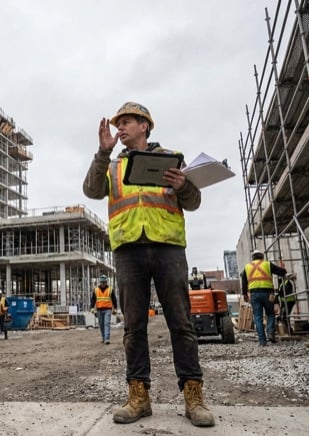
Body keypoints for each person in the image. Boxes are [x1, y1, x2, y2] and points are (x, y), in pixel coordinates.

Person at [83, 101, 214, 427]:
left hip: (168, 247)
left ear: (145, 126)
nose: (120, 128)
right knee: (133, 327)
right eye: (118, 124)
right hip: (128, 251)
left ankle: (193, 395)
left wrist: (184, 185)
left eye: (127, 122)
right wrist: (102, 154)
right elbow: (90, 190)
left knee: (181, 323)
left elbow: (194, 202)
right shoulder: (112, 166)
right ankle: (138, 395)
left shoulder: (173, 159)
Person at [240, 250, 287, 346]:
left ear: (252, 257)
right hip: (268, 294)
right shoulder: (267, 264)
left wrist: (244, 294)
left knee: (258, 317)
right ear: (262, 257)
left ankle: (262, 341)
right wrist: (284, 270)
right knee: (270, 313)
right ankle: (270, 332)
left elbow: (244, 281)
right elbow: (281, 272)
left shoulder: (247, 267)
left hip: (254, 295)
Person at [90, 274, 118, 344]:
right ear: (100, 282)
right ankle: (103, 337)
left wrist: (115, 308)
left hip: (108, 309)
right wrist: (92, 308)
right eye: (102, 282)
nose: (103, 284)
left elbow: (114, 299)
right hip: (99, 310)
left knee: (106, 323)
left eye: (104, 282)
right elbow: (93, 300)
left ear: (106, 282)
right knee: (101, 324)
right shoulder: (96, 290)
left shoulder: (110, 290)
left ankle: (107, 339)